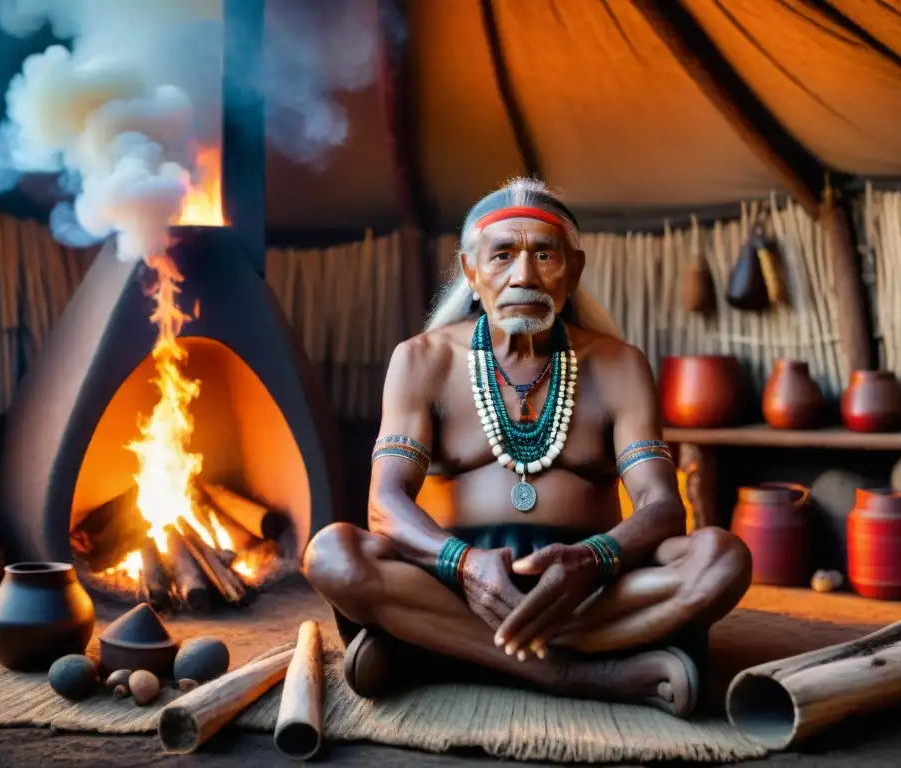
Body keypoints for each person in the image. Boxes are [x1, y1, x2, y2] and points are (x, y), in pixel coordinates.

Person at [302, 178, 751, 717]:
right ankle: (586, 674)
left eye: (544, 254)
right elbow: (385, 505)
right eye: (503, 256)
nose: (524, 276)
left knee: (721, 559)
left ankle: (439, 650)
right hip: (451, 581)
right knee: (332, 555)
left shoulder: (618, 365)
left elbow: (661, 506)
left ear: (574, 269)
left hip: (591, 586)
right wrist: (464, 565)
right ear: (471, 271)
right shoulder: (424, 360)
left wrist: (593, 558)